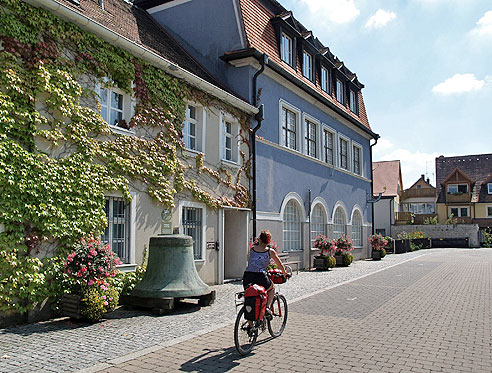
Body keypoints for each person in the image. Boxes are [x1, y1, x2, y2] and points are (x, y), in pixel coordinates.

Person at [243, 230, 288, 311]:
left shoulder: (252, 249)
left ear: (259, 239)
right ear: (268, 241)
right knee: (272, 288)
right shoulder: (270, 251)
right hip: (260, 276)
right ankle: (267, 307)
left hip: (247, 276)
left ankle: (250, 323)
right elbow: (279, 264)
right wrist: (285, 273)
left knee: (250, 296)